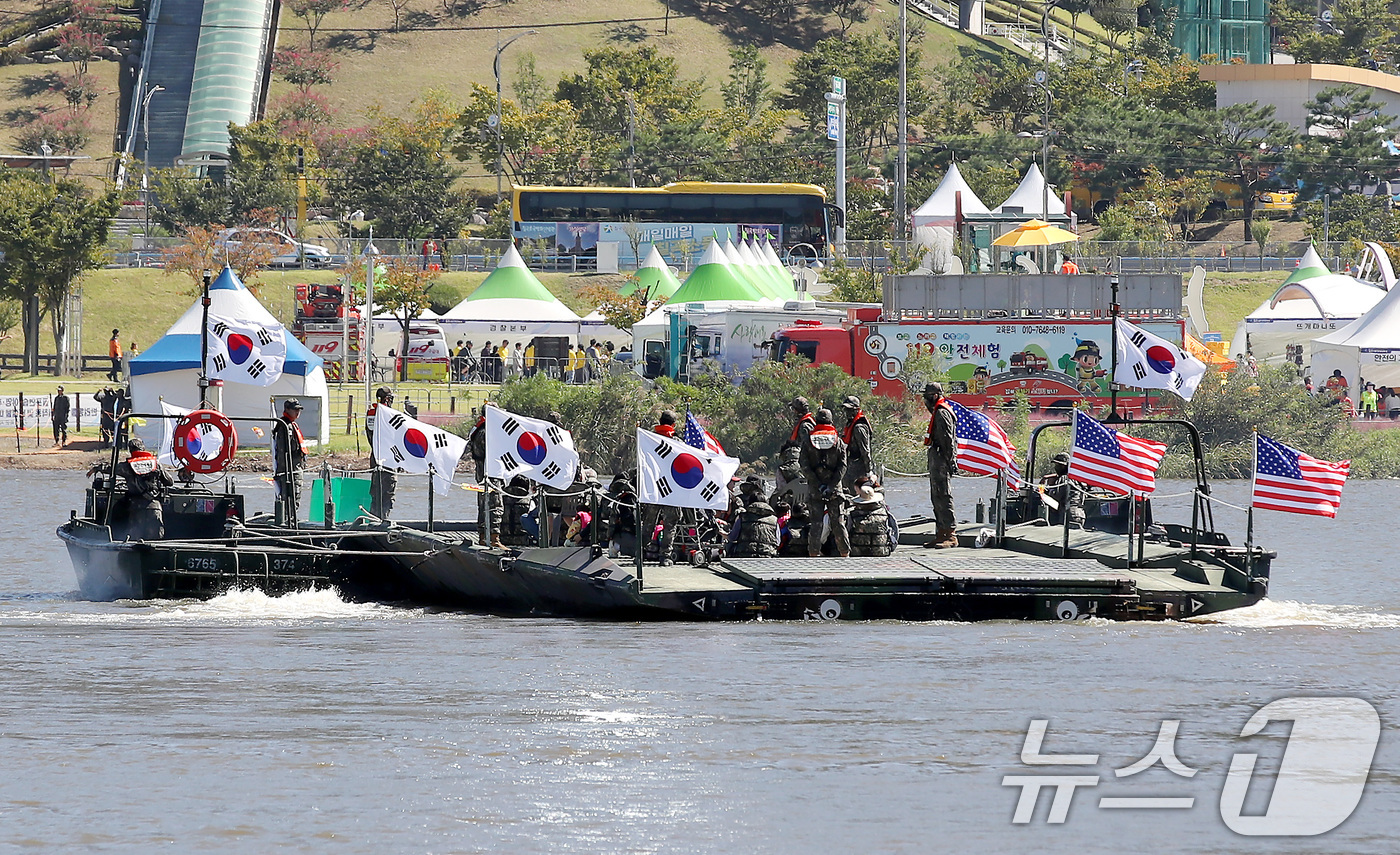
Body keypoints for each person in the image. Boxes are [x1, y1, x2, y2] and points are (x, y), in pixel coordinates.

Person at [801, 408, 850, 558]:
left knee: (816, 523)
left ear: (816, 421)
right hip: (834, 490)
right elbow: (843, 466)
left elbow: (804, 465)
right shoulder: (838, 441)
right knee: (838, 522)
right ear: (831, 421)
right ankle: (844, 553)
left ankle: (813, 553)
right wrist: (831, 485)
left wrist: (817, 483)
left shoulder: (808, 440)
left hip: (815, 490)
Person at [113, 437, 173, 541]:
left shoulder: (127, 466)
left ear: (130, 450)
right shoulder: (156, 464)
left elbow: (111, 469)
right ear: (143, 448)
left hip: (136, 508)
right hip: (154, 507)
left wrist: (97, 468)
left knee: (134, 540)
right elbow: (169, 482)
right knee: (155, 540)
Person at [642, 411, 681, 565]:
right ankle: (665, 556)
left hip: (653, 487)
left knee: (648, 522)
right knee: (670, 523)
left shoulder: (649, 439)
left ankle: (640, 553)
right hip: (672, 488)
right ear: (673, 425)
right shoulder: (677, 441)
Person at [922, 382, 958, 549]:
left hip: (942, 458)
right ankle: (941, 532)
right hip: (937, 456)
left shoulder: (942, 412)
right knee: (936, 496)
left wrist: (950, 461)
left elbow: (948, 440)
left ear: (935, 396)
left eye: (928, 396)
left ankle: (951, 535)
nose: (925, 400)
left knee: (943, 495)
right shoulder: (937, 411)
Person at [467, 405, 504, 549]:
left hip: (481, 475)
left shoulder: (479, 430)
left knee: (483, 506)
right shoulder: (487, 432)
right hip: (491, 475)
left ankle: (483, 537)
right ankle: (494, 539)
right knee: (495, 506)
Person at [271, 398, 307, 526]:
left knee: (295, 500)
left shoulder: (292, 425)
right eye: (295, 410)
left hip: (295, 468)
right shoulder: (284, 426)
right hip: (289, 471)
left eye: (299, 410)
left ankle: (291, 520)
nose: (298, 412)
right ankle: (288, 523)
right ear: (287, 410)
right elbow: (283, 451)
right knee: (290, 500)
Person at [365, 386, 398, 519]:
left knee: (376, 492)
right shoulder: (389, 415)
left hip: (375, 457)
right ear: (387, 399)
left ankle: (374, 519)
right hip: (388, 459)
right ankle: (382, 521)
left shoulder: (371, 413)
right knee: (387, 492)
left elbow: (370, 435)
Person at [776, 397, 816, 505]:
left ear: (797, 410)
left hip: (802, 462)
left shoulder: (805, 426)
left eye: (794, 409)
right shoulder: (802, 423)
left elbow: (807, 447)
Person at [729, 477, 779, 558]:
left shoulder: (742, 517)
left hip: (744, 556)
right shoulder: (774, 520)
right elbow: (778, 541)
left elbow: (732, 537)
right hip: (768, 556)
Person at [1038, 452, 1085, 527]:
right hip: (1080, 513)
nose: (1056, 467)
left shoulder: (1064, 479)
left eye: (1058, 465)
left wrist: (1043, 489)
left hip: (1068, 515)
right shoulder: (1076, 478)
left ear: (1064, 466)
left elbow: (1054, 497)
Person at [847, 482, 894, 557]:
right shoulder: (884, 513)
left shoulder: (852, 514)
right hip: (881, 552)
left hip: (857, 552)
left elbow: (847, 531)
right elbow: (893, 531)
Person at [841, 395, 872, 490]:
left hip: (859, 468)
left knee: (856, 494)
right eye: (846, 410)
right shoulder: (851, 424)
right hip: (851, 465)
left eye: (850, 409)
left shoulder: (859, 427)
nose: (847, 412)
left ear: (856, 409)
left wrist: (869, 470)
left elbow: (865, 450)